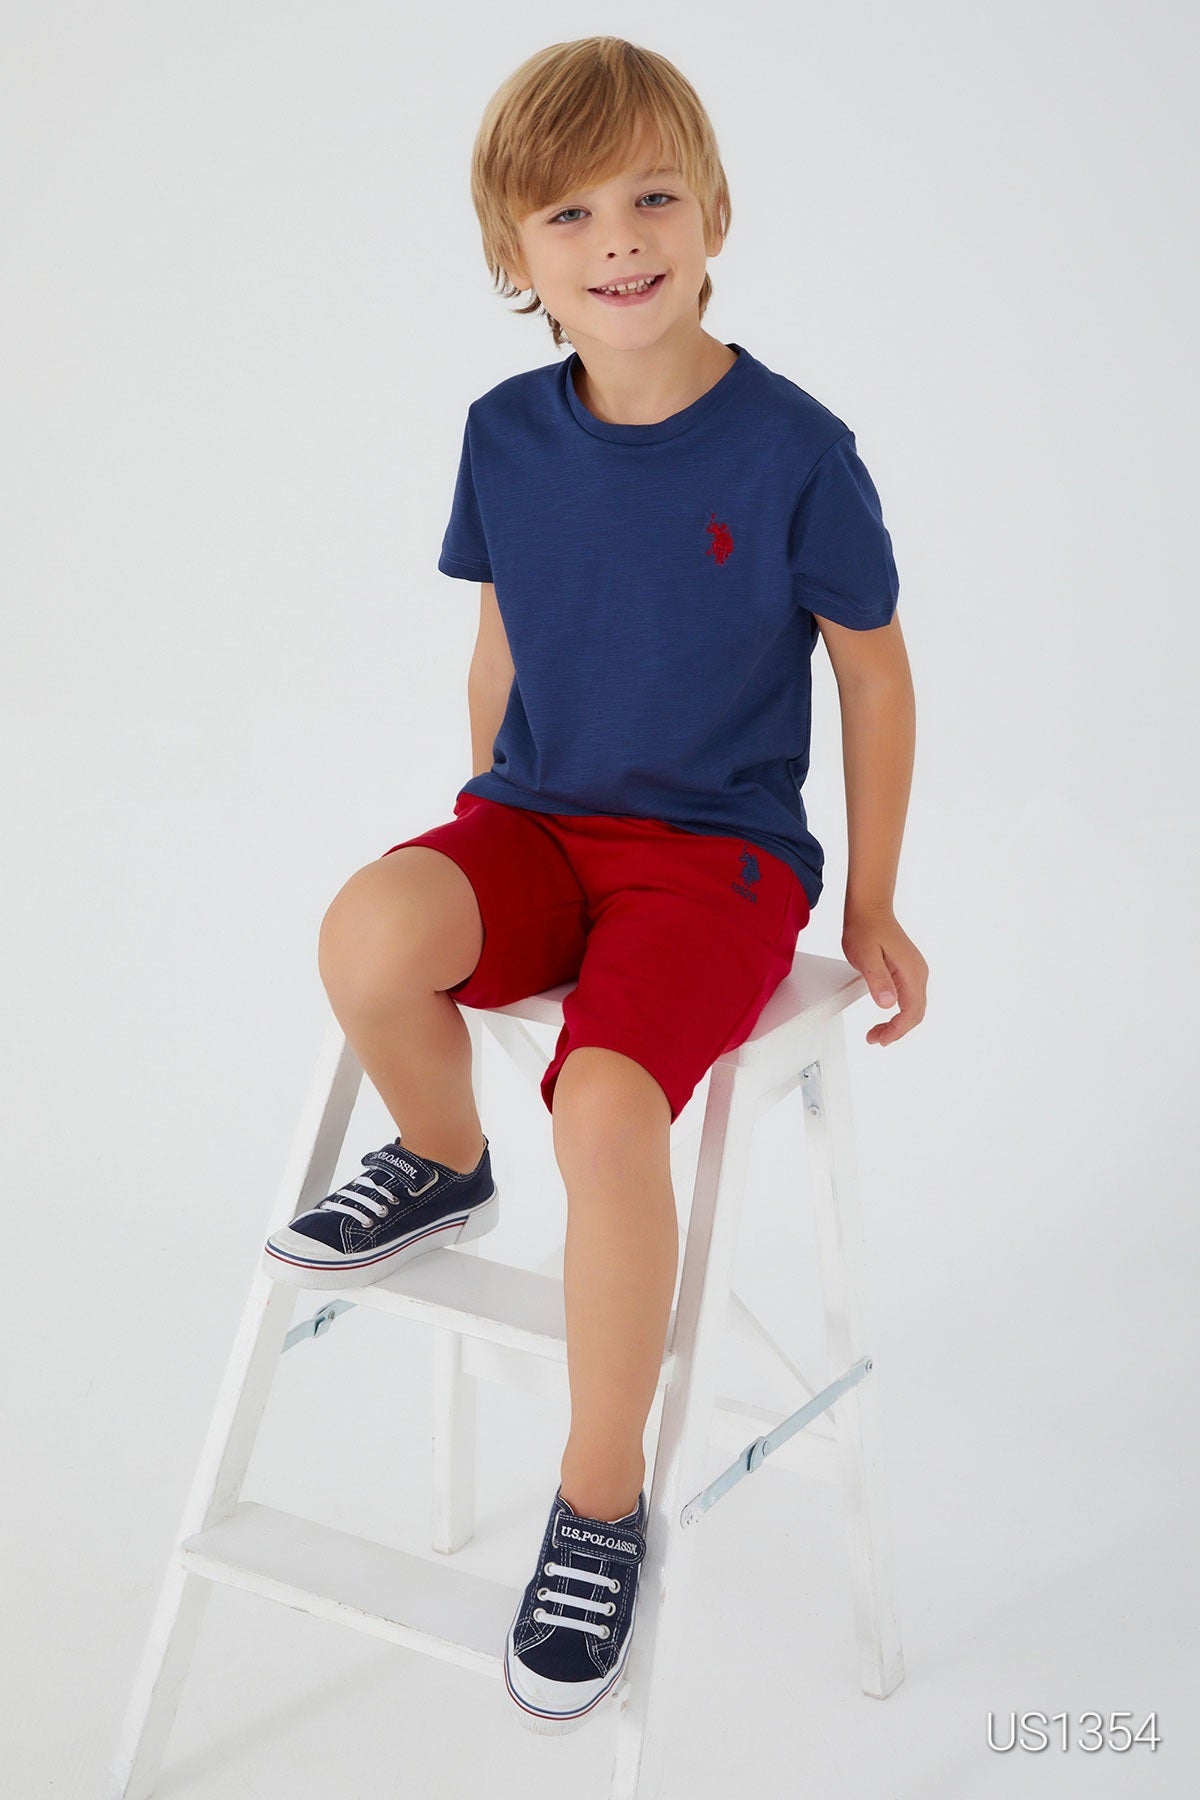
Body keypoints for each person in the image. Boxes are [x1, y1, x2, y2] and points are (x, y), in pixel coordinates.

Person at [262, 35, 927, 1735]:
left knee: (612, 1109)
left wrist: (866, 901)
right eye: (570, 213)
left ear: (712, 217)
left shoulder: (793, 451)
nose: (617, 238)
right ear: (518, 258)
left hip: (713, 861)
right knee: (368, 929)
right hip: (544, 823)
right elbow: (497, 645)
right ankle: (439, 1154)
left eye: (651, 197)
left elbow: (872, 673)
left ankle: (601, 1494)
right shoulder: (503, 433)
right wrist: (475, 829)